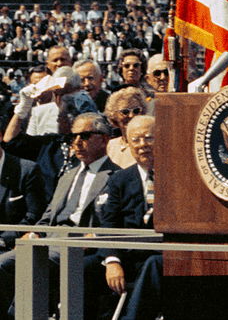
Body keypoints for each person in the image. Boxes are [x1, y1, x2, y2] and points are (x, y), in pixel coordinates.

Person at [0, 112, 120, 320]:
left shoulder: (116, 177)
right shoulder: (67, 176)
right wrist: (33, 233)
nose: (76, 142)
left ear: (104, 139)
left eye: (84, 136)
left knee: (29, 265)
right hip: (51, 240)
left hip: (80, 244)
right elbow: (47, 216)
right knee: (4, 264)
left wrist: (96, 237)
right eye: (73, 137)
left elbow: (115, 221)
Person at [89, 115, 163, 320]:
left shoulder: (179, 176)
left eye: (149, 138)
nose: (142, 145)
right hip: (128, 255)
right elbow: (108, 222)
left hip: (163, 254)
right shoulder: (120, 179)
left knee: (153, 264)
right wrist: (112, 260)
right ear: (128, 144)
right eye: (136, 140)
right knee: (80, 268)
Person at [104, 87, 148, 170]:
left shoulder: (147, 144)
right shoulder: (110, 145)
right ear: (114, 115)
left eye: (136, 111)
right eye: (125, 112)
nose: (131, 115)